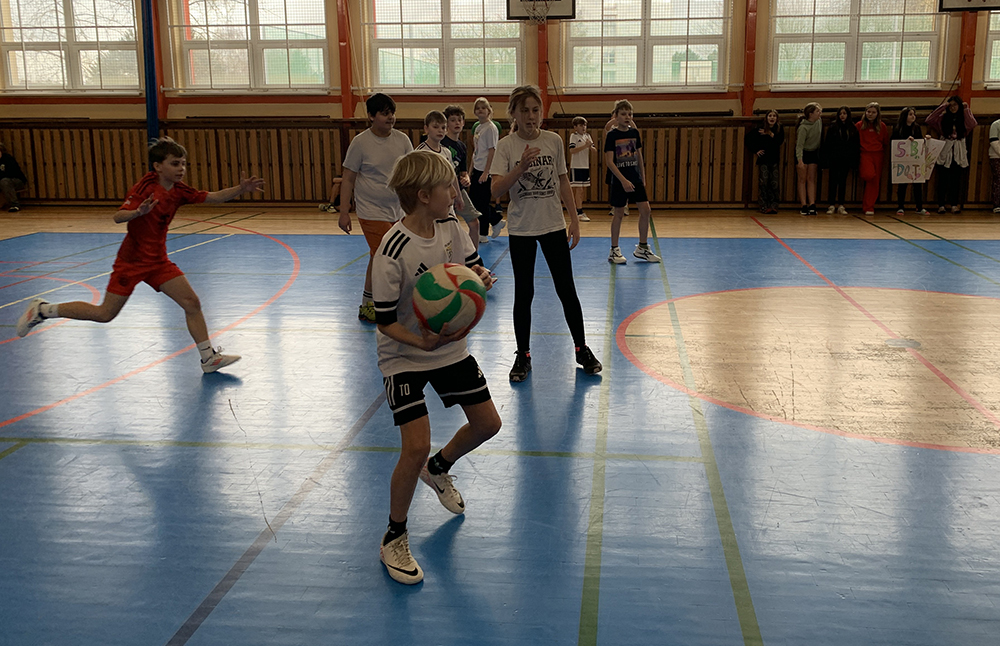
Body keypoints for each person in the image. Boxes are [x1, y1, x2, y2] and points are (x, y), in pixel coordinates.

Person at [15, 137, 261, 373]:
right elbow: (118, 217)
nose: (181, 169)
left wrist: (240, 189)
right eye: (175, 164)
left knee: (192, 303)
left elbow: (213, 197)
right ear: (158, 166)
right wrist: (138, 212)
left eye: (184, 164)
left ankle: (209, 358)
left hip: (158, 262)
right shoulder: (145, 188)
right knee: (104, 314)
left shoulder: (179, 190)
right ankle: (43, 310)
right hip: (131, 262)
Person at [374, 150, 501, 585]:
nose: (456, 191)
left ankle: (440, 466)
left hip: (449, 348)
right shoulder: (392, 249)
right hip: (404, 355)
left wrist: (479, 280)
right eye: (448, 186)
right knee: (414, 447)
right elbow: (384, 320)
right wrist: (423, 342)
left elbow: (469, 269)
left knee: (488, 424)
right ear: (424, 195)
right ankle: (394, 535)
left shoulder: (451, 226)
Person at [490, 85, 603, 382]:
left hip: (553, 225)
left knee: (566, 289)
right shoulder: (506, 146)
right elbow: (496, 189)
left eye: (535, 110)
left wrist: (574, 219)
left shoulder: (553, 140)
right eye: (524, 110)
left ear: (541, 112)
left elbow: (564, 181)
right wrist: (520, 168)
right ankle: (523, 355)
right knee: (524, 292)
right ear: (514, 114)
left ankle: (581, 348)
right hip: (522, 229)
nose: (531, 116)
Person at [339, 93, 414, 323]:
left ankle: (373, 302)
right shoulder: (360, 143)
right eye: (384, 113)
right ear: (371, 116)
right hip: (371, 210)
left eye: (392, 113)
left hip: (398, 210)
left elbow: (412, 173)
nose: (390, 118)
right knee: (384, 254)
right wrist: (344, 212)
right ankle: (373, 303)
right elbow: (348, 178)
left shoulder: (402, 140)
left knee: (383, 255)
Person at [605, 99, 661, 264]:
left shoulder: (634, 133)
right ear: (616, 116)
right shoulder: (612, 135)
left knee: (646, 210)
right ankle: (614, 250)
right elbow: (609, 161)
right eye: (623, 114)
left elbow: (639, 156)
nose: (627, 117)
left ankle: (642, 248)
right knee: (619, 213)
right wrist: (623, 180)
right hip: (619, 180)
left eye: (630, 114)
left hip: (635, 178)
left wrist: (642, 177)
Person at [925, 95, 977, 214]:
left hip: (958, 152)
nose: (953, 107)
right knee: (942, 180)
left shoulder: (963, 119)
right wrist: (943, 106)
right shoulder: (943, 118)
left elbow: (973, 124)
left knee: (956, 180)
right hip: (945, 151)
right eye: (951, 105)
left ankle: (954, 204)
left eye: (955, 105)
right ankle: (941, 205)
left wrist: (966, 109)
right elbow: (929, 119)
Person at [413, 110, 465, 221]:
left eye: (443, 127)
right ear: (426, 129)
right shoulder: (421, 152)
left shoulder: (446, 152)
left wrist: (458, 196)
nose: (440, 130)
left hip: (446, 197)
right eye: (436, 127)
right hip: (429, 199)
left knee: (450, 225)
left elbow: (452, 176)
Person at [442, 104, 482, 246]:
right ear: (446, 123)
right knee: (447, 227)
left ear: (464, 122)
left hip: (459, 189)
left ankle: (474, 256)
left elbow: (463, 172)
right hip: (444, 190)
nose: (457, 123)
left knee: (474, 222)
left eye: (459, 120)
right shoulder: (442, 142)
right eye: (453, 120)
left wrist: (466, 179)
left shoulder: (462, 146)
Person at [470, 97, 504, 243]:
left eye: (483, 108)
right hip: (477, 167)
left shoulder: (491, 128)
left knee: (482, 202)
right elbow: (476, 150)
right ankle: (496, 220)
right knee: (474, 201)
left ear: (489, 110)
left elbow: (492, 150)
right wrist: (470, 169)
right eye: (477, 108)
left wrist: (486, 171)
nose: (480, 110)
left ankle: (483, 232)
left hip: (485, 169)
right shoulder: (478, 127)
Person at [891, 107, 931, 216]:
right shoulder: (898, 128)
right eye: (910, 114)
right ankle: (900, 207)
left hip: (915, 159)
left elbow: (919, 142)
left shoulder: (916, 127)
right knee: (902, 184)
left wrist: (926, 140)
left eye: (914, 114)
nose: (913, 116)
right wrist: (906, 141)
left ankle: (919, 207)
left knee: (917, 184)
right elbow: (894, 142)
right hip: (903, 160)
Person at [855, 102, 891, 216]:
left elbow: (885, 141)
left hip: (878, 154)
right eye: (868, 112)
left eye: (873, 112)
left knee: (875, 182)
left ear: (877, 114)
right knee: (868, 174)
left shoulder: (882, 126)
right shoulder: (859, 125)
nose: (870, 114)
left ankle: (869, 206)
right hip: (865, 153)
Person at [821, 106, 859, 215]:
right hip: (834, 158)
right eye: (840, 114)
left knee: (843, 182)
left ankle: (841, 205)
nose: (842, 116)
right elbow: (827, 144)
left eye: (844, 113)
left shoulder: (852, 128)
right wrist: (826, 159)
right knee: (832, 181)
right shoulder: (833, 127)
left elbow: (855, 145)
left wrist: (854, 161)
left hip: (846, 159)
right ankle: (831, 204)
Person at [746, 110, 785, 214]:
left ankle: (774, 205)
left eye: (774, 116)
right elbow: (748, 139)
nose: (772, 118)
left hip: (774, 159)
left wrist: (770, 134)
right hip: (764, 159)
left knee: (774, 183)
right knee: (764, 182)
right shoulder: (760, 128)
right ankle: (763, 205)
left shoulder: (779, 129)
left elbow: (779, 141)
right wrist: (756, 150)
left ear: (777, 118)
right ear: (766, 118)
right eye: (770, 116)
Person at [795, 102, 823, 215]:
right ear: (810, 114)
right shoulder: (803, 127)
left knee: (811, 179)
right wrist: (800, 161)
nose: (820, 113)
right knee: (802, 179)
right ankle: (803, 205)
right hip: (803, 153)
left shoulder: (819, 121)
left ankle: (812, 204)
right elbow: (799, 146)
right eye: (817, 111)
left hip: (813, 152)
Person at [568, 116, 596, 222]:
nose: (584, 127)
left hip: (585, 166)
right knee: (578, 190)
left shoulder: (587, 136)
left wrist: (590, 146)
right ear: (575, 127)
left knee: (582, 190)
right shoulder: (574, 136)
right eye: (581, 125)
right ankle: (578, 212)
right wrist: (585, 146)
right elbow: (572, 150)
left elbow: (594, 150)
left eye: (585, 125)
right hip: (577, 166)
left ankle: (579, 210)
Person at [0, 142, 28, 213]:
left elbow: (11, 173)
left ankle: (14, 205)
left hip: (16, 180)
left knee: (4, 181)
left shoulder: (8, 159)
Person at [989, 116, 1000, 214]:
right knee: (998, 180)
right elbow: (994, 141)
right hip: (996, 156)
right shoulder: (996, 124)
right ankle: (997, 204)